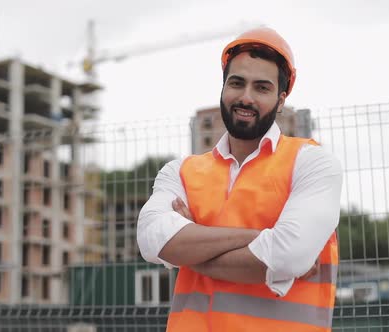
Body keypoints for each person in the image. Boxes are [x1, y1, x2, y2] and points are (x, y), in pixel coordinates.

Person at [137, 26, 343, 332]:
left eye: (262, 88)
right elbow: (151, 240)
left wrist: (190, 248)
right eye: (237, 83)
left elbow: (286, 257)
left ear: (281, 98)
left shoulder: (312, 163)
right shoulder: (179, 172)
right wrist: (259, 237)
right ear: (223, 88)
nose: (246, 97)